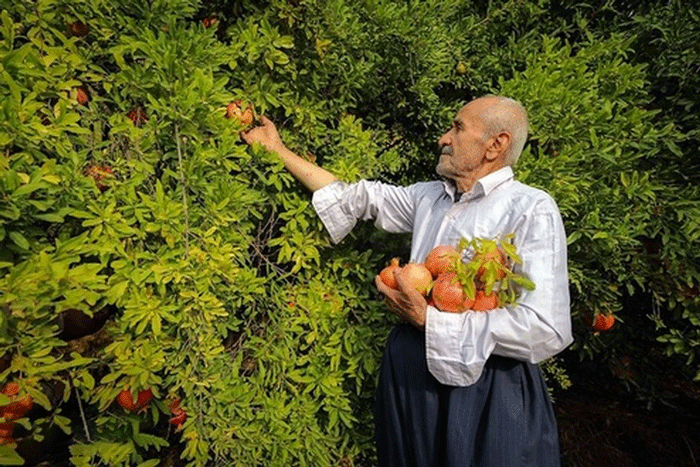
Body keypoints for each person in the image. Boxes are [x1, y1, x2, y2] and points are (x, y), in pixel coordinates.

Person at [242, 95, 573, 467]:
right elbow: (356, 198)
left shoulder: (529, 208)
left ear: (496, 145)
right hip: (412, 372)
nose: (444, 138)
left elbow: (547, 328)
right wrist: (277, 149)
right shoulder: (429, 198)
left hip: (488, 381)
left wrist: (432, 320)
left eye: (458, 127)